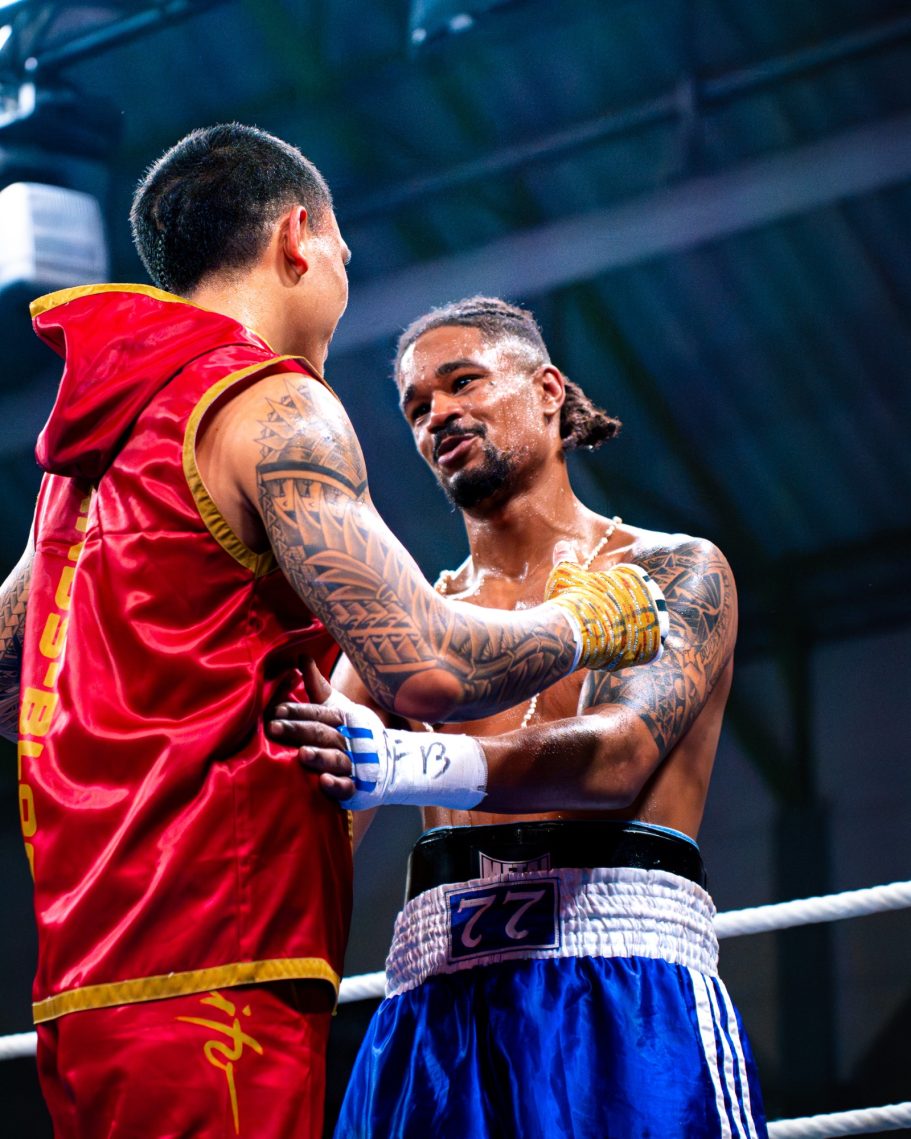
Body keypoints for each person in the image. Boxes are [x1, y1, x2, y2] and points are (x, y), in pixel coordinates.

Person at [0, 131, 666, 1139]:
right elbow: (426, 665)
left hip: (83, 979)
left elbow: (12, 675)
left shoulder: (84, 456)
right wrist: (585, 621)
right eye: (343, 251)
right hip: (218, 959)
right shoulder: (269, 402)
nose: (345, 274)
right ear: (298, 236)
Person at [272, 296, 768, 1138]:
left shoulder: (670, 570)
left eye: (462, 382)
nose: (437, 414)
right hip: (434, 1005)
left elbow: (616, 758)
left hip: (621, 987)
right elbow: (308, 822)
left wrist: (401, 763)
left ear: (546, 390)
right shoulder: (406, 631)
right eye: (416, 406)